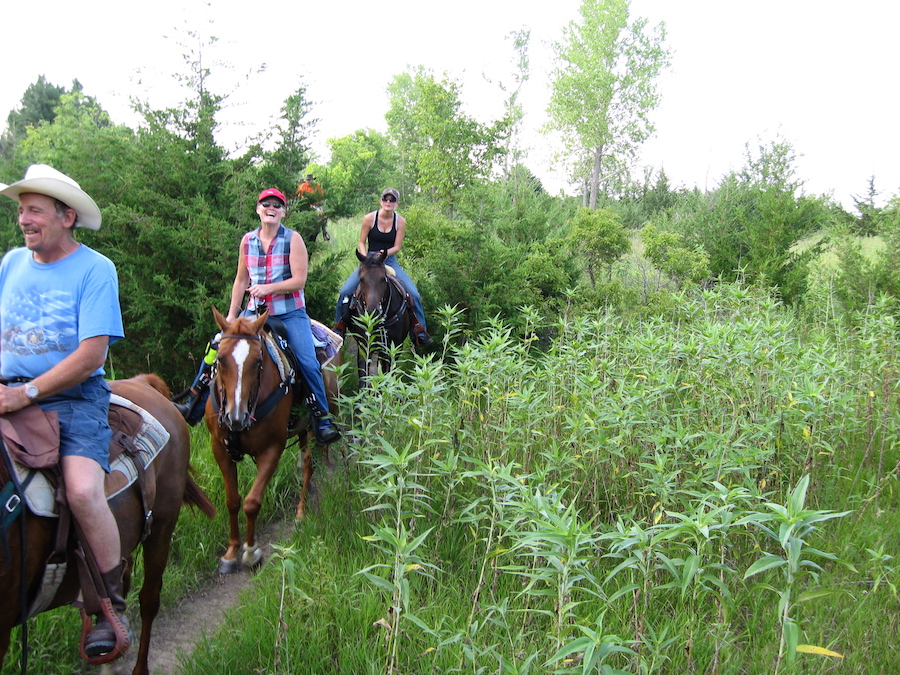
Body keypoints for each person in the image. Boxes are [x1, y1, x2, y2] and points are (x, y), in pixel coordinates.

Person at [0, 164, 129, 657]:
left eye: (34, 210)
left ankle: (107, 606)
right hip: (7, 391)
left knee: (79, 489)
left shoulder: (96, 270)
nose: (24, 220)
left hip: (72, 399)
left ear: (66, 216)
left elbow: (92, 354)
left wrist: (26, 394)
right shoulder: (11, 263)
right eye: (21, 210)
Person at [177, 188, 340, 445]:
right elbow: (241, 279)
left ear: (283, 211)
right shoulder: (247, 241)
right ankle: (193, 403)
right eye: (266, 204)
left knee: (307, 360)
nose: (271, 208)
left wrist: (268, 288)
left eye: (276, 205)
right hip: (252, 314)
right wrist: (231, 316)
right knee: (217, 347)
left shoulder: (293, 239)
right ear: (258, 209)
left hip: (288, 314)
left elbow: (299, 280)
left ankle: (321, 418)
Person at [333, 188, 433, 347]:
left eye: (392, 200)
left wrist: (384, 254)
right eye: (385, 199)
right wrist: (366, 258)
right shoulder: (369, 219)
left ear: (397, 203)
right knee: (345, 291)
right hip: (369, 260)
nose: (388, 202)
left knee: (413, 294)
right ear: (381, 201)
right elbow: (361, 242)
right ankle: (339, 329)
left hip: (389, 260)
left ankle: (419, 331)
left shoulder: (400, 221)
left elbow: (397, 246)